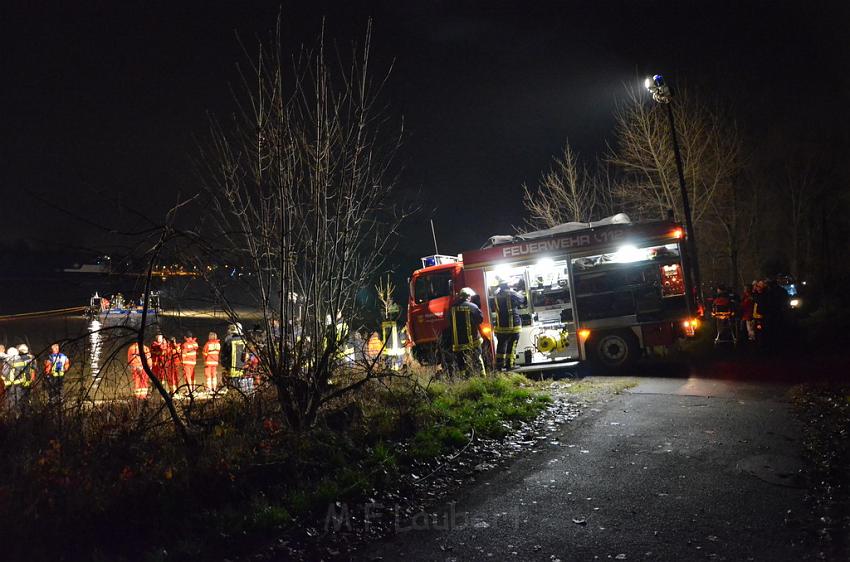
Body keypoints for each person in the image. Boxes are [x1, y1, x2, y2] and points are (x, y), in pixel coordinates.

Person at [448, 287, 486, 377]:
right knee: (477, 358)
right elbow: (480, 320)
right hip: (473, 340)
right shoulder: (472, 306)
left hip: (458, 341)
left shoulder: (452, 308)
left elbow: (449, 321)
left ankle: (464, 379)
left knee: (461, 362)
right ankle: (482, 377)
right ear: (468, 296)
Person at [493, 278, 527, 371]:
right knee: (512, 345)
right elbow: (522, 299)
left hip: (500, 326)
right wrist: (520, 291)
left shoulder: (496, 294)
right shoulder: (511, 293)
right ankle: (510, 365)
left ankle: (499, 366)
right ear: (507, 285)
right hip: (512, 325)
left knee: (501, 346)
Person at [222, 323, 251, 394]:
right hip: (241, 368)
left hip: (231, 368)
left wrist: (224, 364)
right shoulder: (243, 340)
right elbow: (247, 353)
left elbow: (224, 353)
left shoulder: (228, 340)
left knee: (233, 387)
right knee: (241, 387)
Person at [10, 345, 36, 412]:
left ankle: (21, 411)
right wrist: (33, 377)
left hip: (21, 380)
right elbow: (34, 368)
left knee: (20, 396)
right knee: (27, 395)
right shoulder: (32, 357)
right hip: (29, 379)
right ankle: (27, 409)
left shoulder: (18, 359)